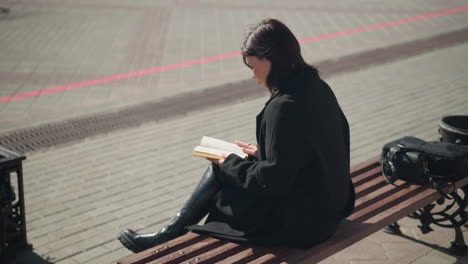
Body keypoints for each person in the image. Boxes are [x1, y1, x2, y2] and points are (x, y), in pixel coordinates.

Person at [117, 18, 355, 252]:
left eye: (253, 66)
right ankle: (169, 232)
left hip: (302, 226)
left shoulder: (283, 106)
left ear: (271, 60)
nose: (252, 75)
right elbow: (318, 149)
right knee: (228, 167)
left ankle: (168, 235)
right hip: (328, 210)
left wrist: (227, 163)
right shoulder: (318, 87)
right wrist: (262, 153)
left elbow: (273, 182)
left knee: (221, 173)